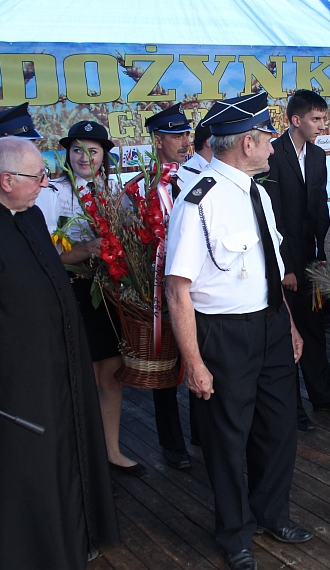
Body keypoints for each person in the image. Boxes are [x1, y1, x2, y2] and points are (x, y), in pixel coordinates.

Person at [0, 137, 119, 569]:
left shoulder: (30, 215)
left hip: (61, 366)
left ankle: (78, 537)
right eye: (38, 176)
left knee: (69, 456)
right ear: (6, 180)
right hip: (11, 380)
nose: (45, 184)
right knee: (28, 470)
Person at [165, 92, 310, 570]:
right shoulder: (197, 202)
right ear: (248, 143)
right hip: (224, 335)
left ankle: (271, 514)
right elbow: (177, 290)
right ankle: (234, 533)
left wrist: (289, 324)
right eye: (267, 137)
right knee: (227, 440)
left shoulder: (259, 193)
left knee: (279, 428)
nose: (272, 146)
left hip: (271, 324)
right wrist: (194, 362)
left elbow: (270, 269)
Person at [36, 120, 146, 476]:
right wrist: (84, 250)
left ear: (104, 156)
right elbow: (42, 254)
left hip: (108, 293)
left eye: (93, 151)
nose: (85, 158)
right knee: (79, 379)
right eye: (77, 150)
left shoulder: (114, 192)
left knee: (111, 375)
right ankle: (79, 458)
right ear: (67, 154)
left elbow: (132, 238)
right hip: (70, 293)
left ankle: (111, 451)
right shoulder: (50, 194)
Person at [264, 89, 330, 431]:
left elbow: (319, 209)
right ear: (296, 120)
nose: (322, 125)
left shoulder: (318, 156)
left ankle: (325, 397)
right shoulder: (272, 154)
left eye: (323, 119)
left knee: (315, 331)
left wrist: (326, 257)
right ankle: (293, 409)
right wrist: (285, 268)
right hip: (285, 263)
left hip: (311, 260)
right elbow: (272, 216)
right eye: (316, 119)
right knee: (287, 337)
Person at [143, 104, 193, 469]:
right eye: (176, 136)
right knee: (165, 369)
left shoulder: (198, 178)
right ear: (158, 140)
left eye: (186, 134)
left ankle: (204, 434)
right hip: (162, 290)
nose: (184, 141)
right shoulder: (139, 189)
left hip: (199, 288)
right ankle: (172, 444)